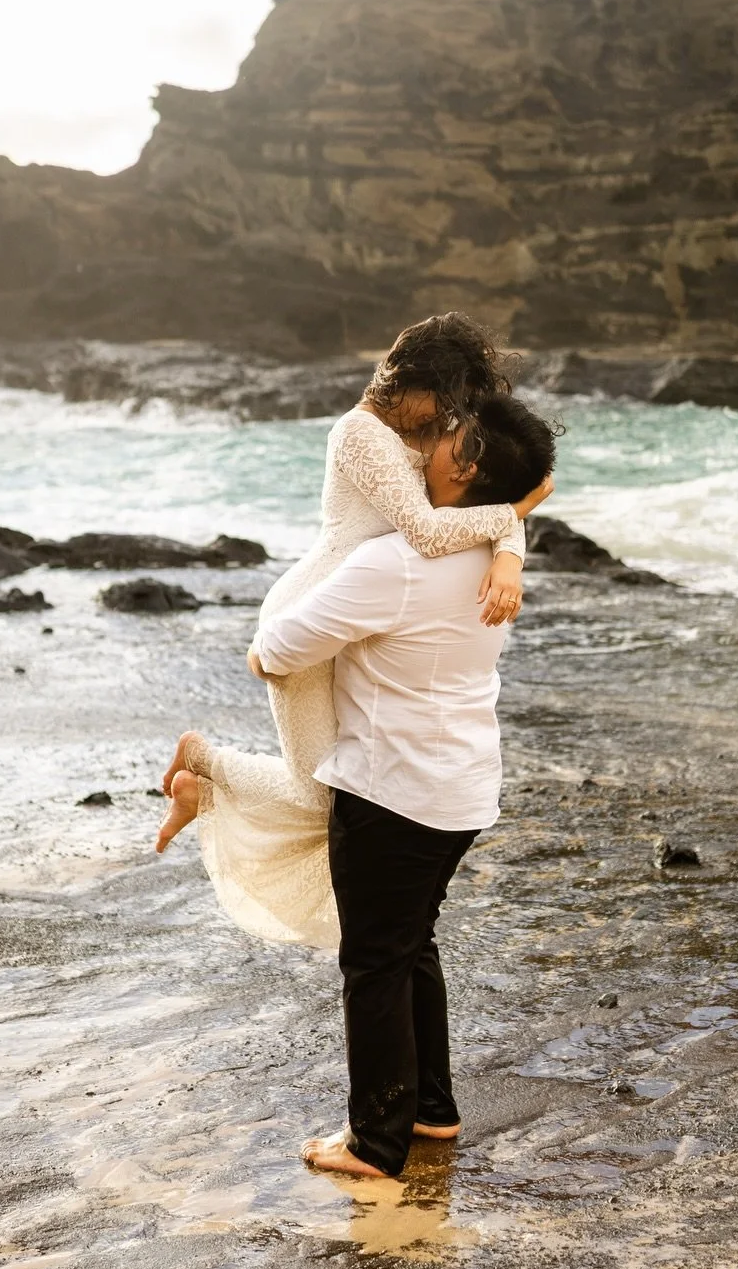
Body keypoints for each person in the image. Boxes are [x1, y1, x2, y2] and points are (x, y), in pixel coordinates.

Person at [156, 313, 553, 951]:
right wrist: (514, 517)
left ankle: (203, 788)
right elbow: (428, 532)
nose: (447, 420)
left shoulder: (417, 438)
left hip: (365, 617)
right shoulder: (361, 433)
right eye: (445, 401)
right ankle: (204, 770)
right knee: (321, 803)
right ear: (410, 378)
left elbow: (471, 501)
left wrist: (511, 546)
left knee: (338, 795)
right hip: (309, 614)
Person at [251, 392, 559, 1178]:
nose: (433, 439)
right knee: (410, 945)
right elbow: (515, 511)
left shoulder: (392, 562)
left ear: (468, 464)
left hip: (392, 791)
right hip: (461, 789)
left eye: (451, 433)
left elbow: (278, 649)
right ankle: (431, 1110)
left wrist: (268, 656)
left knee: (376, 964)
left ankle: (375, 1143)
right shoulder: (493, 563)